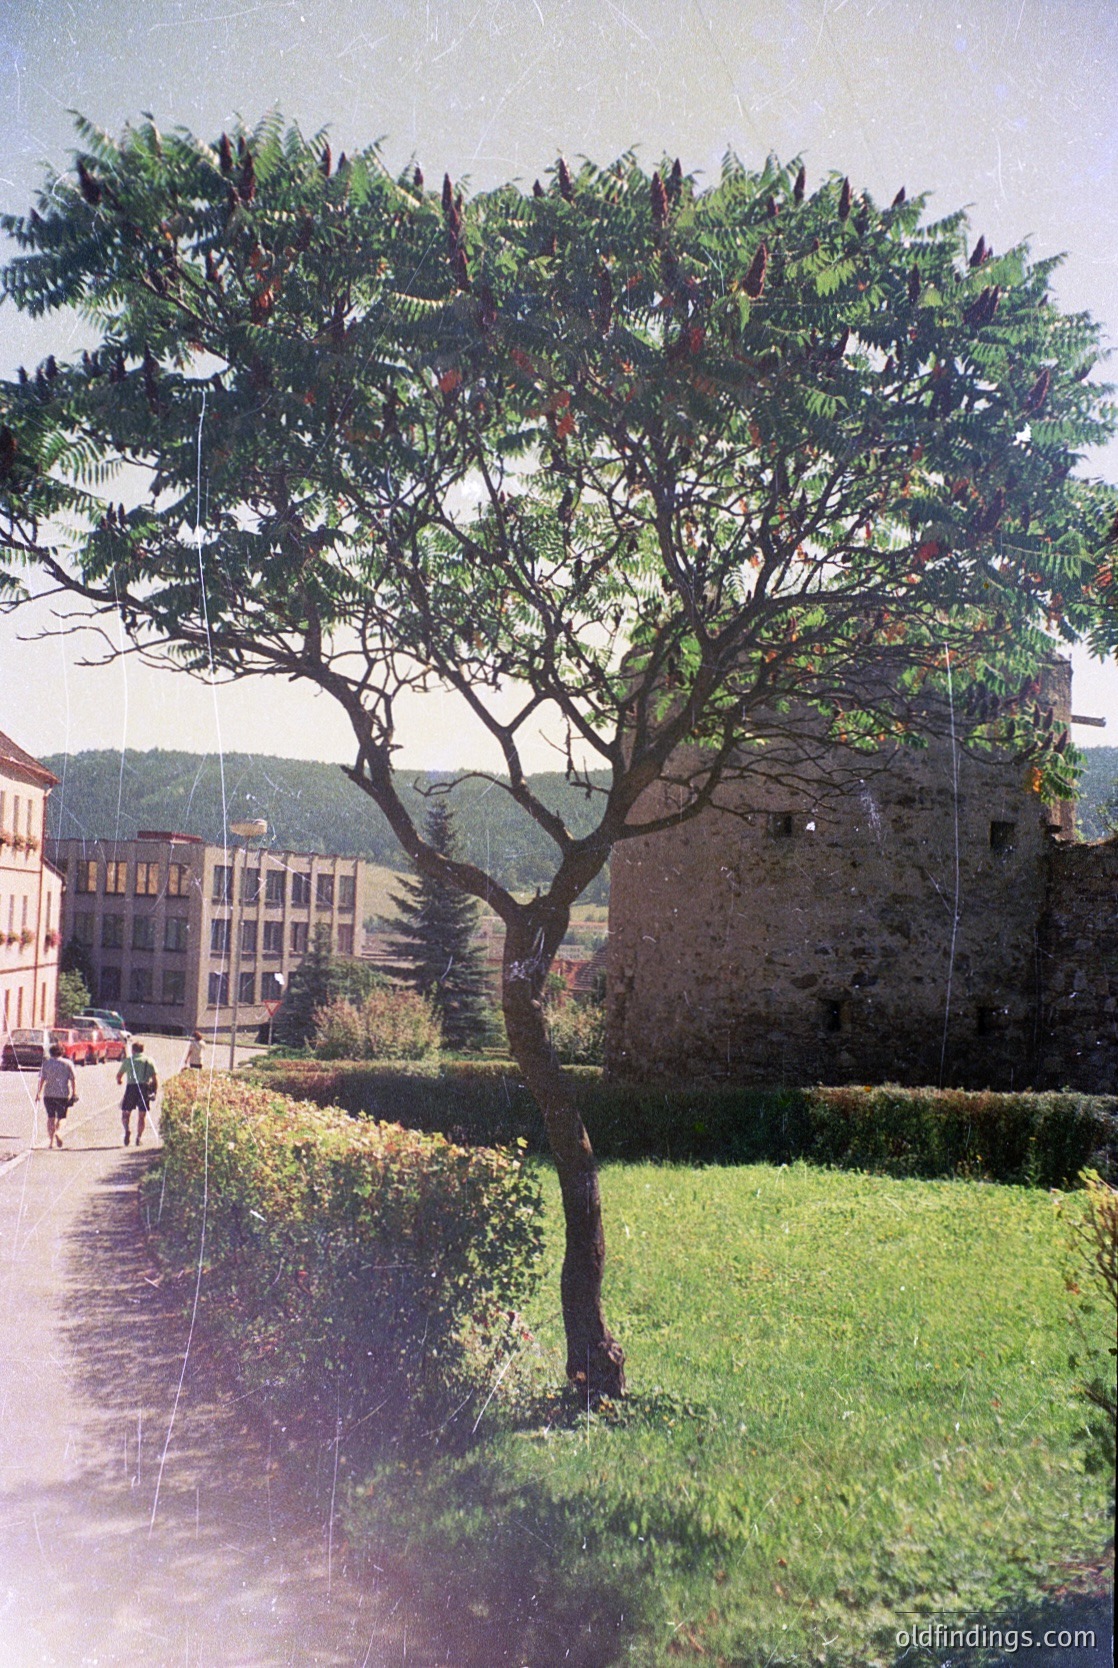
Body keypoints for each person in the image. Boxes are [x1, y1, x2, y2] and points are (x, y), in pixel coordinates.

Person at [36, 1043, 78, 1149]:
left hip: (48, 1094)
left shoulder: (46, 1063)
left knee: (50, 1117)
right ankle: (58, 1132)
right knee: (62, 1117)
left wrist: (39, 1093)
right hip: (62, 1094)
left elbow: (42, 1079)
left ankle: (51, 1142)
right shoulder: (67, 1063)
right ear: (62, 1052)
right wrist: (74, 1093)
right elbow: (73, 1079)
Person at [116, 1041, 158, 1147]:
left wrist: (119, 1081)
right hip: (144, 1088)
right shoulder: (148, 1060)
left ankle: (127, 1130)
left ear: (133, 1050)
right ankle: (139, 1138)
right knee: (142, 1115)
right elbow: (155, 1078)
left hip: (131, 1088)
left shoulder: (128, 1061)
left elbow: (119, 1075)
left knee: (126, 1113)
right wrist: (154, 1091)